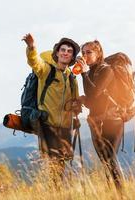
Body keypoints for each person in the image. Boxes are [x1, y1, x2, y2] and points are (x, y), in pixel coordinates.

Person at [22, 33, 80, 181]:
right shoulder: (46, 70)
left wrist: (76, 106)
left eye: (69, 51)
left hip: (66, 127)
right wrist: (31, 47)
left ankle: (56, 192)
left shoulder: (72, 79)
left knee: (60, 165)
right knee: (54, 163)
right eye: (63, 50)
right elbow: (34, 61)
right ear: (57, 52)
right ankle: (55, 192)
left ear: (72, 57)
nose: (65, 53)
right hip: (47, 123)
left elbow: (76, 104)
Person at [77, 40, 124, 190]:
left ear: (98, 54)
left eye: (89, 52)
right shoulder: (90, 72)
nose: (85, 56)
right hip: (96, 120)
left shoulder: (107, 70)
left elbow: (95, 94)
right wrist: (83, 99)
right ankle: (111, 192)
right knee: (105, 160)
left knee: (110, 157)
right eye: (83, 53)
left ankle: (121, 194)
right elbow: (91, 101)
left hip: (112, 120)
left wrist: (83, 73)